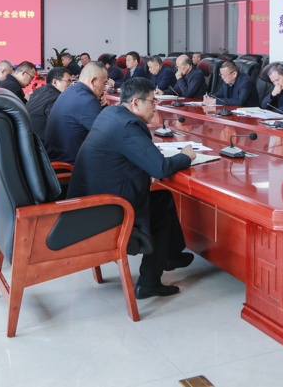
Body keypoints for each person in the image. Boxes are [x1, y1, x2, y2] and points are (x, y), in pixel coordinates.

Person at [67, 77, 196, 299]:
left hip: (89, 204)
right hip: (105, 212)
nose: (155, 107)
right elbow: (161, 168)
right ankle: (150, 281)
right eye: (152, 102)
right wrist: (185, 156)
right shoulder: (128, 126)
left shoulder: (111, 114)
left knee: (162, 199)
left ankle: (170, 256)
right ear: (136, 102)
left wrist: (146, 169)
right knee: (161, 207)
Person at [44, 61, 107, 164]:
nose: (104, 88)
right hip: (70, 164)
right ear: (93, 81)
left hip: (56, 157)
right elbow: (107, 135)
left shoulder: (69, 91)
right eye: (104, 83)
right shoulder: (87, 101)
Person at [25, 68, 72, 139]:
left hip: (29, 137)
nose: (70, 85)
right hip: (42, 141)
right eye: (68, 81)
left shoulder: (38, 91)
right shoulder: (56, 98)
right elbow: (61, 124)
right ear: (55, 82)